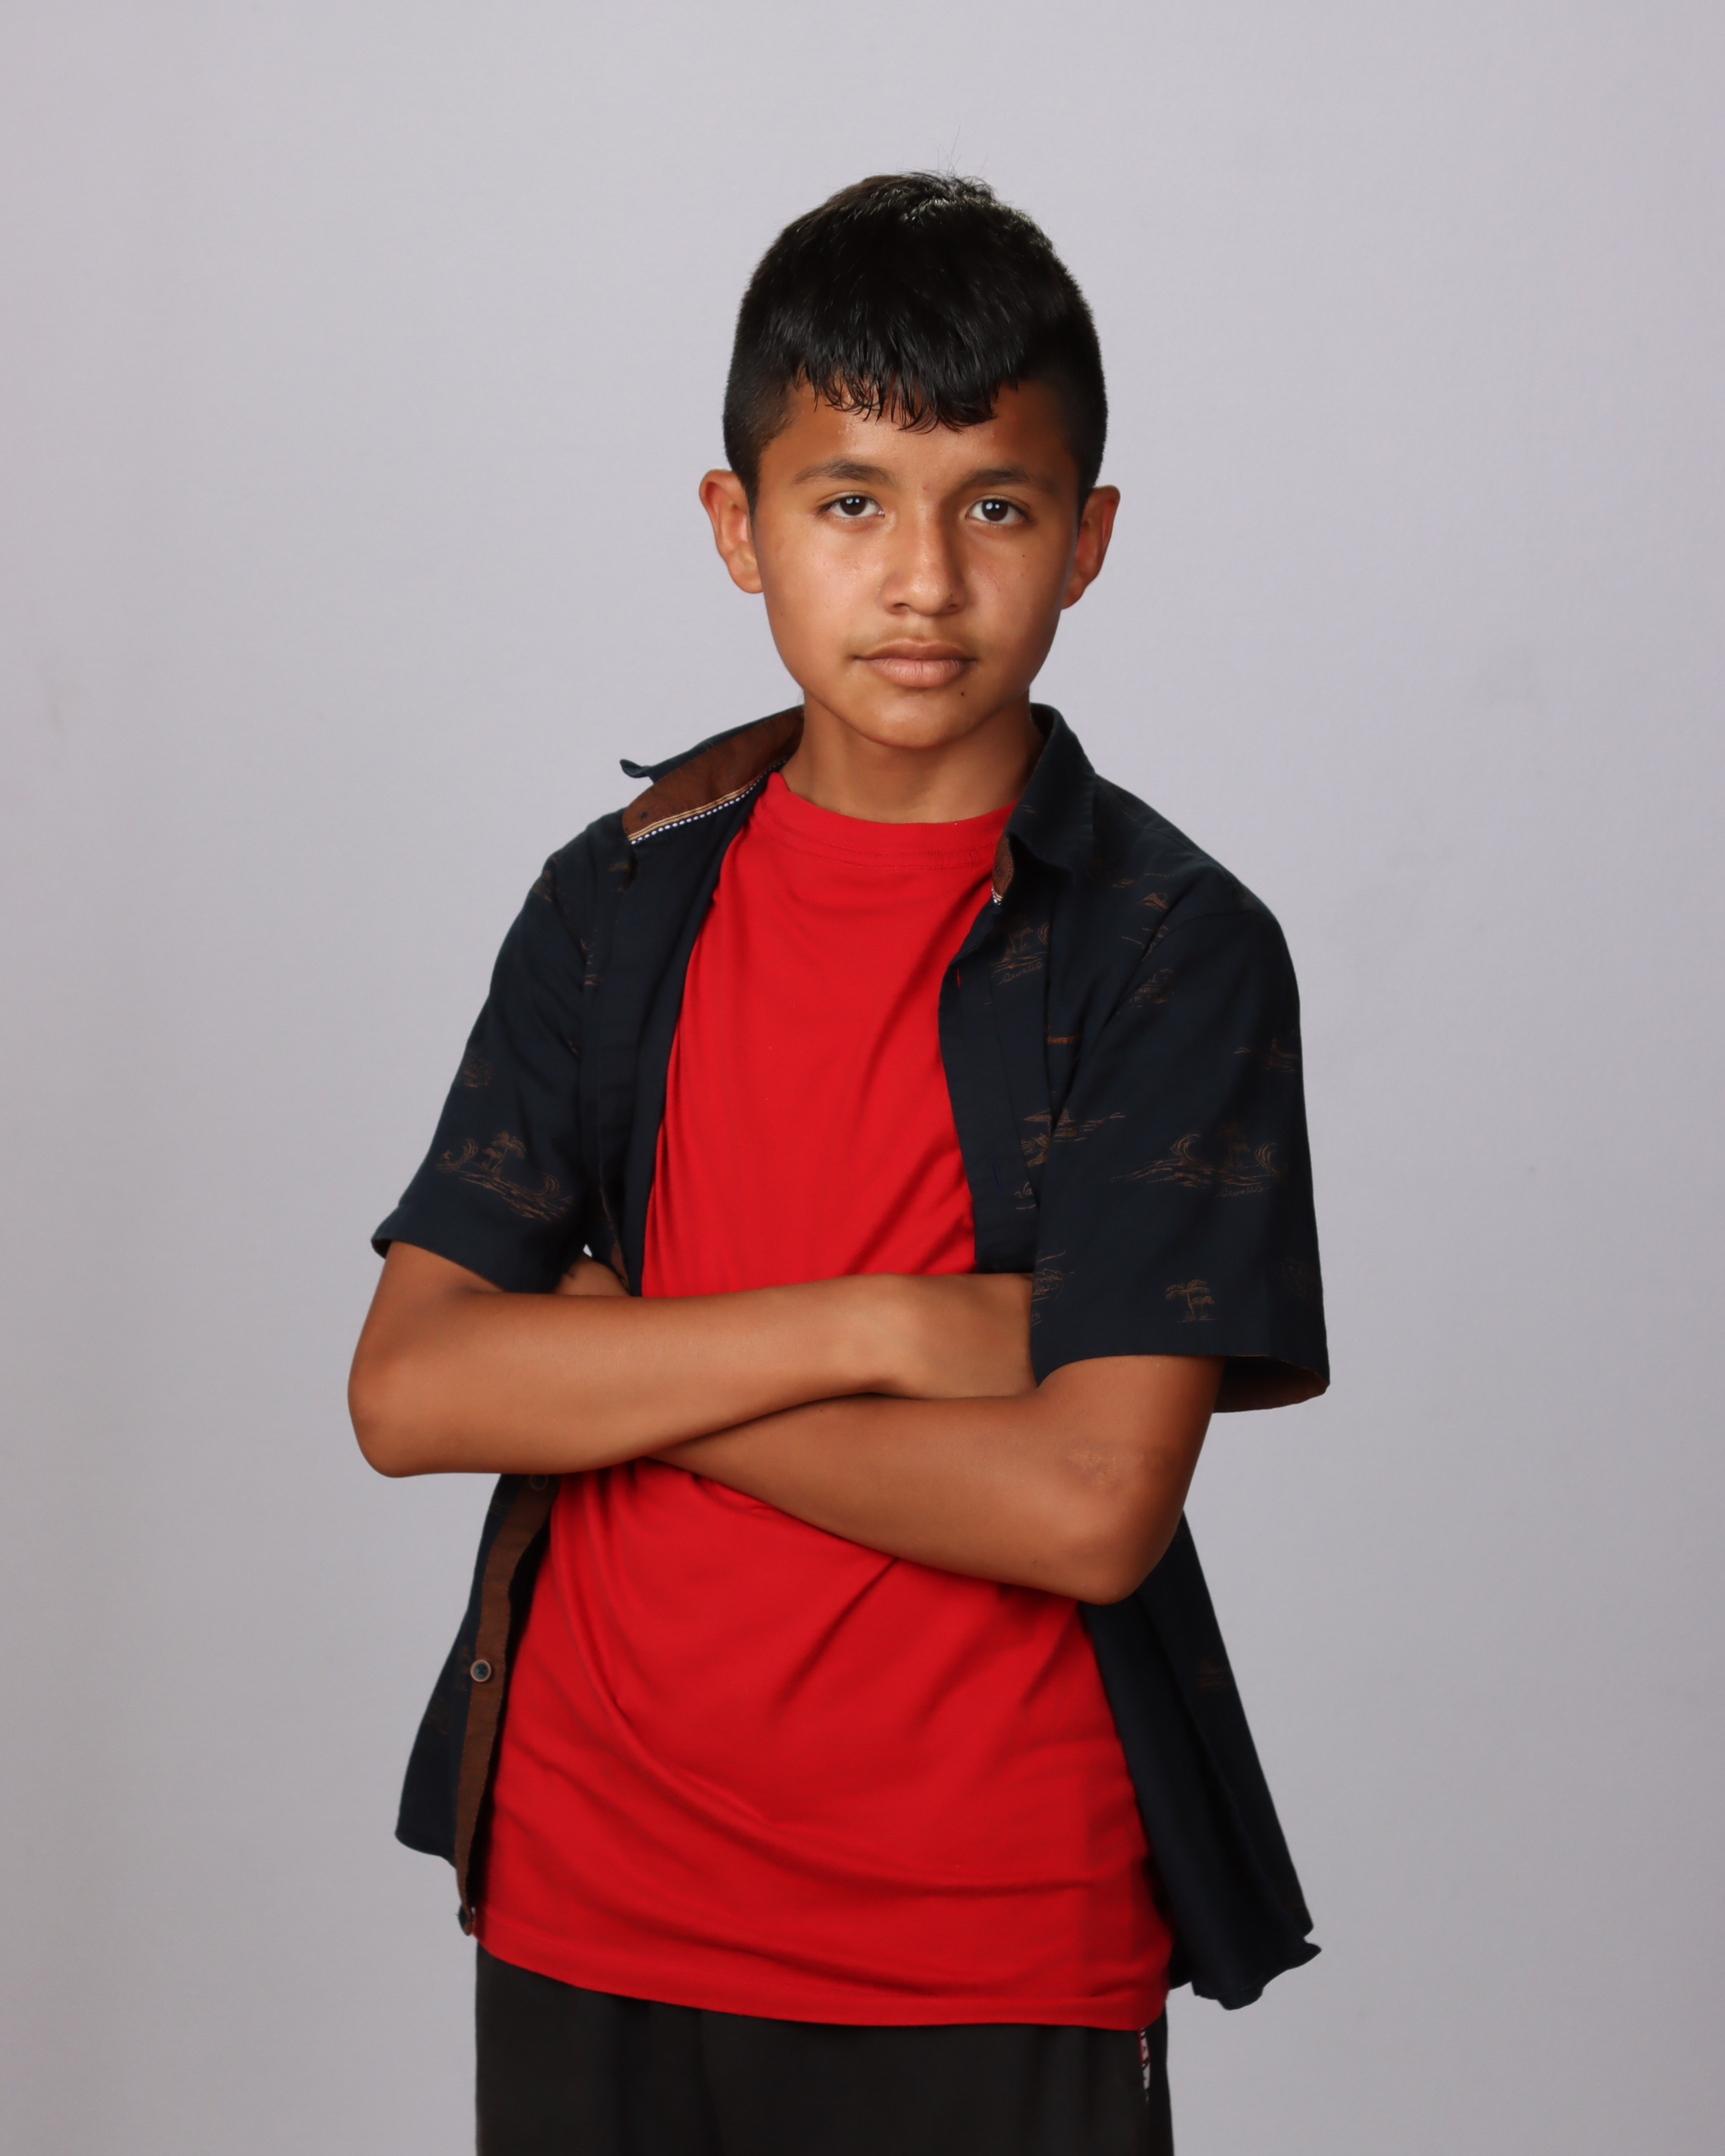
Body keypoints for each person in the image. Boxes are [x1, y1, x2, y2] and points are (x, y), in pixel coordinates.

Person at [350, 171, 1328, 2156]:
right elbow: (412, 1390)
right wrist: (884, 1326)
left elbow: (1087, 1507)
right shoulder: (616, 908)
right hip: (588, 1886)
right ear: (740, 527)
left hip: (984, 1927)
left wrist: (624, 1370)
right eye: (851, 501)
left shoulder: (1171, 948)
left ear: (1088, 540)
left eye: (997, 507)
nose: (923, 583)